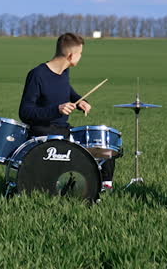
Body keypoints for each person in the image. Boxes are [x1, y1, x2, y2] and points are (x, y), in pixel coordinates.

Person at [19, 32, 115, 189]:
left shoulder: (64, 72)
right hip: (43, 135)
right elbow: (25, 112)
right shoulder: (37, 75)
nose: (81, 57)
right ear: (71, 55)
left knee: (104, 147)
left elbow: (66, 91)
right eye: (80, 54)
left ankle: (105, 186)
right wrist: (57, 109)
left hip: (64, 131)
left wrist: (80, 101)